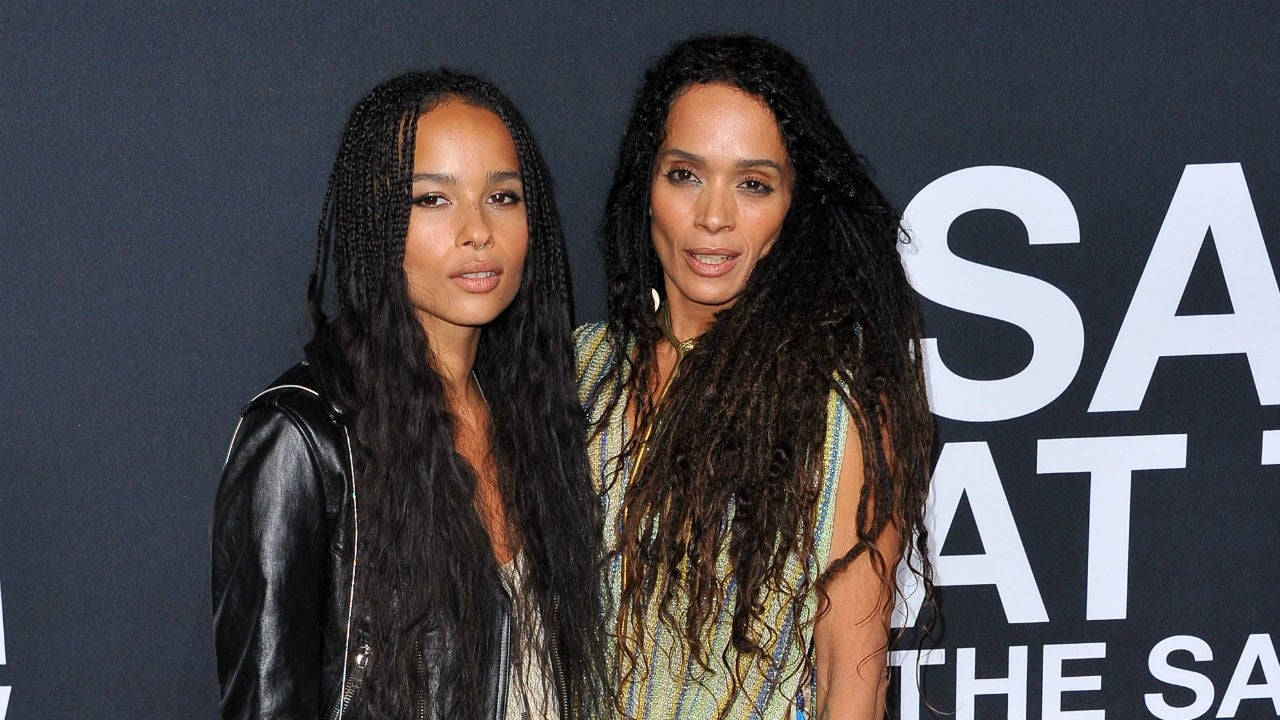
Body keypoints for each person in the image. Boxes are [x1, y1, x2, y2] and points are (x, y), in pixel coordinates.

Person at [212, 70, 605, 720]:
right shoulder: (303, 436)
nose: (477, 230)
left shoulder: (538, 413)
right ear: (376, 221)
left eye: (502, 196)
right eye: (433, 199)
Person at [575, 35, 935, 720]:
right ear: (645, 186)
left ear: (794, 205)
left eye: (753, 185)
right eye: (685, 175)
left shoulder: (837, 405)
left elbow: (850, 681)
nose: (713, 216)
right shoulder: (580, 369)